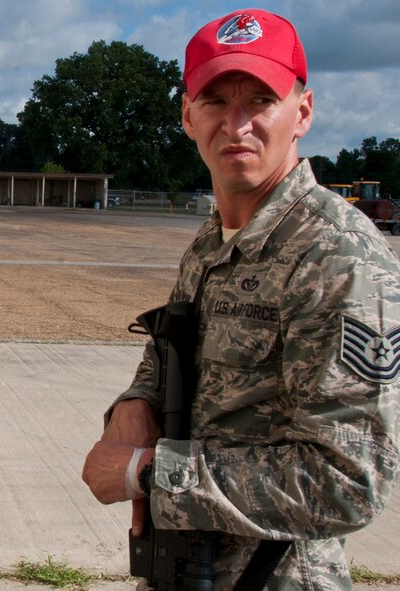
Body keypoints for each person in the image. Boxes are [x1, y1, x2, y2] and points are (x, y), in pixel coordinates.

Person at [81, 9, 400, 590]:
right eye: (214, 101)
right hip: (185, 567)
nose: (237, 123)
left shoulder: (336, 258)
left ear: (302, 112)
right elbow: (173, 354)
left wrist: (145, 473)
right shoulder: (213, 241)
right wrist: (136, 399)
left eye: (260, 100)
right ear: (186, 115)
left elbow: (349, 481)